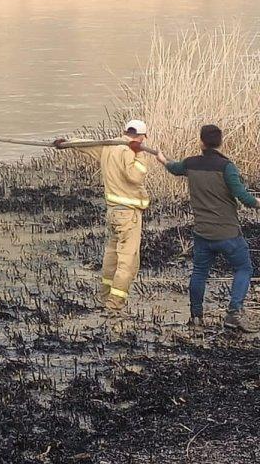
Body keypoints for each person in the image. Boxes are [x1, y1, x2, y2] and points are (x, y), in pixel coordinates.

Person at [156, 124, 257, 332]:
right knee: (244, 268)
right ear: (220, 142)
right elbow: (244, 198)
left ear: (201, 142)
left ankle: (196, 317)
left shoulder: (190, 164)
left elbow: (174, 168)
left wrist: (162, 159)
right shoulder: (227, 167)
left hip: (202, 233)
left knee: (200, 272)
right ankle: (233, 313)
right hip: (228, 233)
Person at [56, 119, 151, 312]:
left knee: (111, 257)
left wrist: (66, 142)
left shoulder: (110, 146)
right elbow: (135, 176)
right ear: (140, 137)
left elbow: (87, 145)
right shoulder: (129, 151)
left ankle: (105, 296)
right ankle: (114, 305)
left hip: (113, 213)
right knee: (127, 261)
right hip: (128, 214)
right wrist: (139, 153)